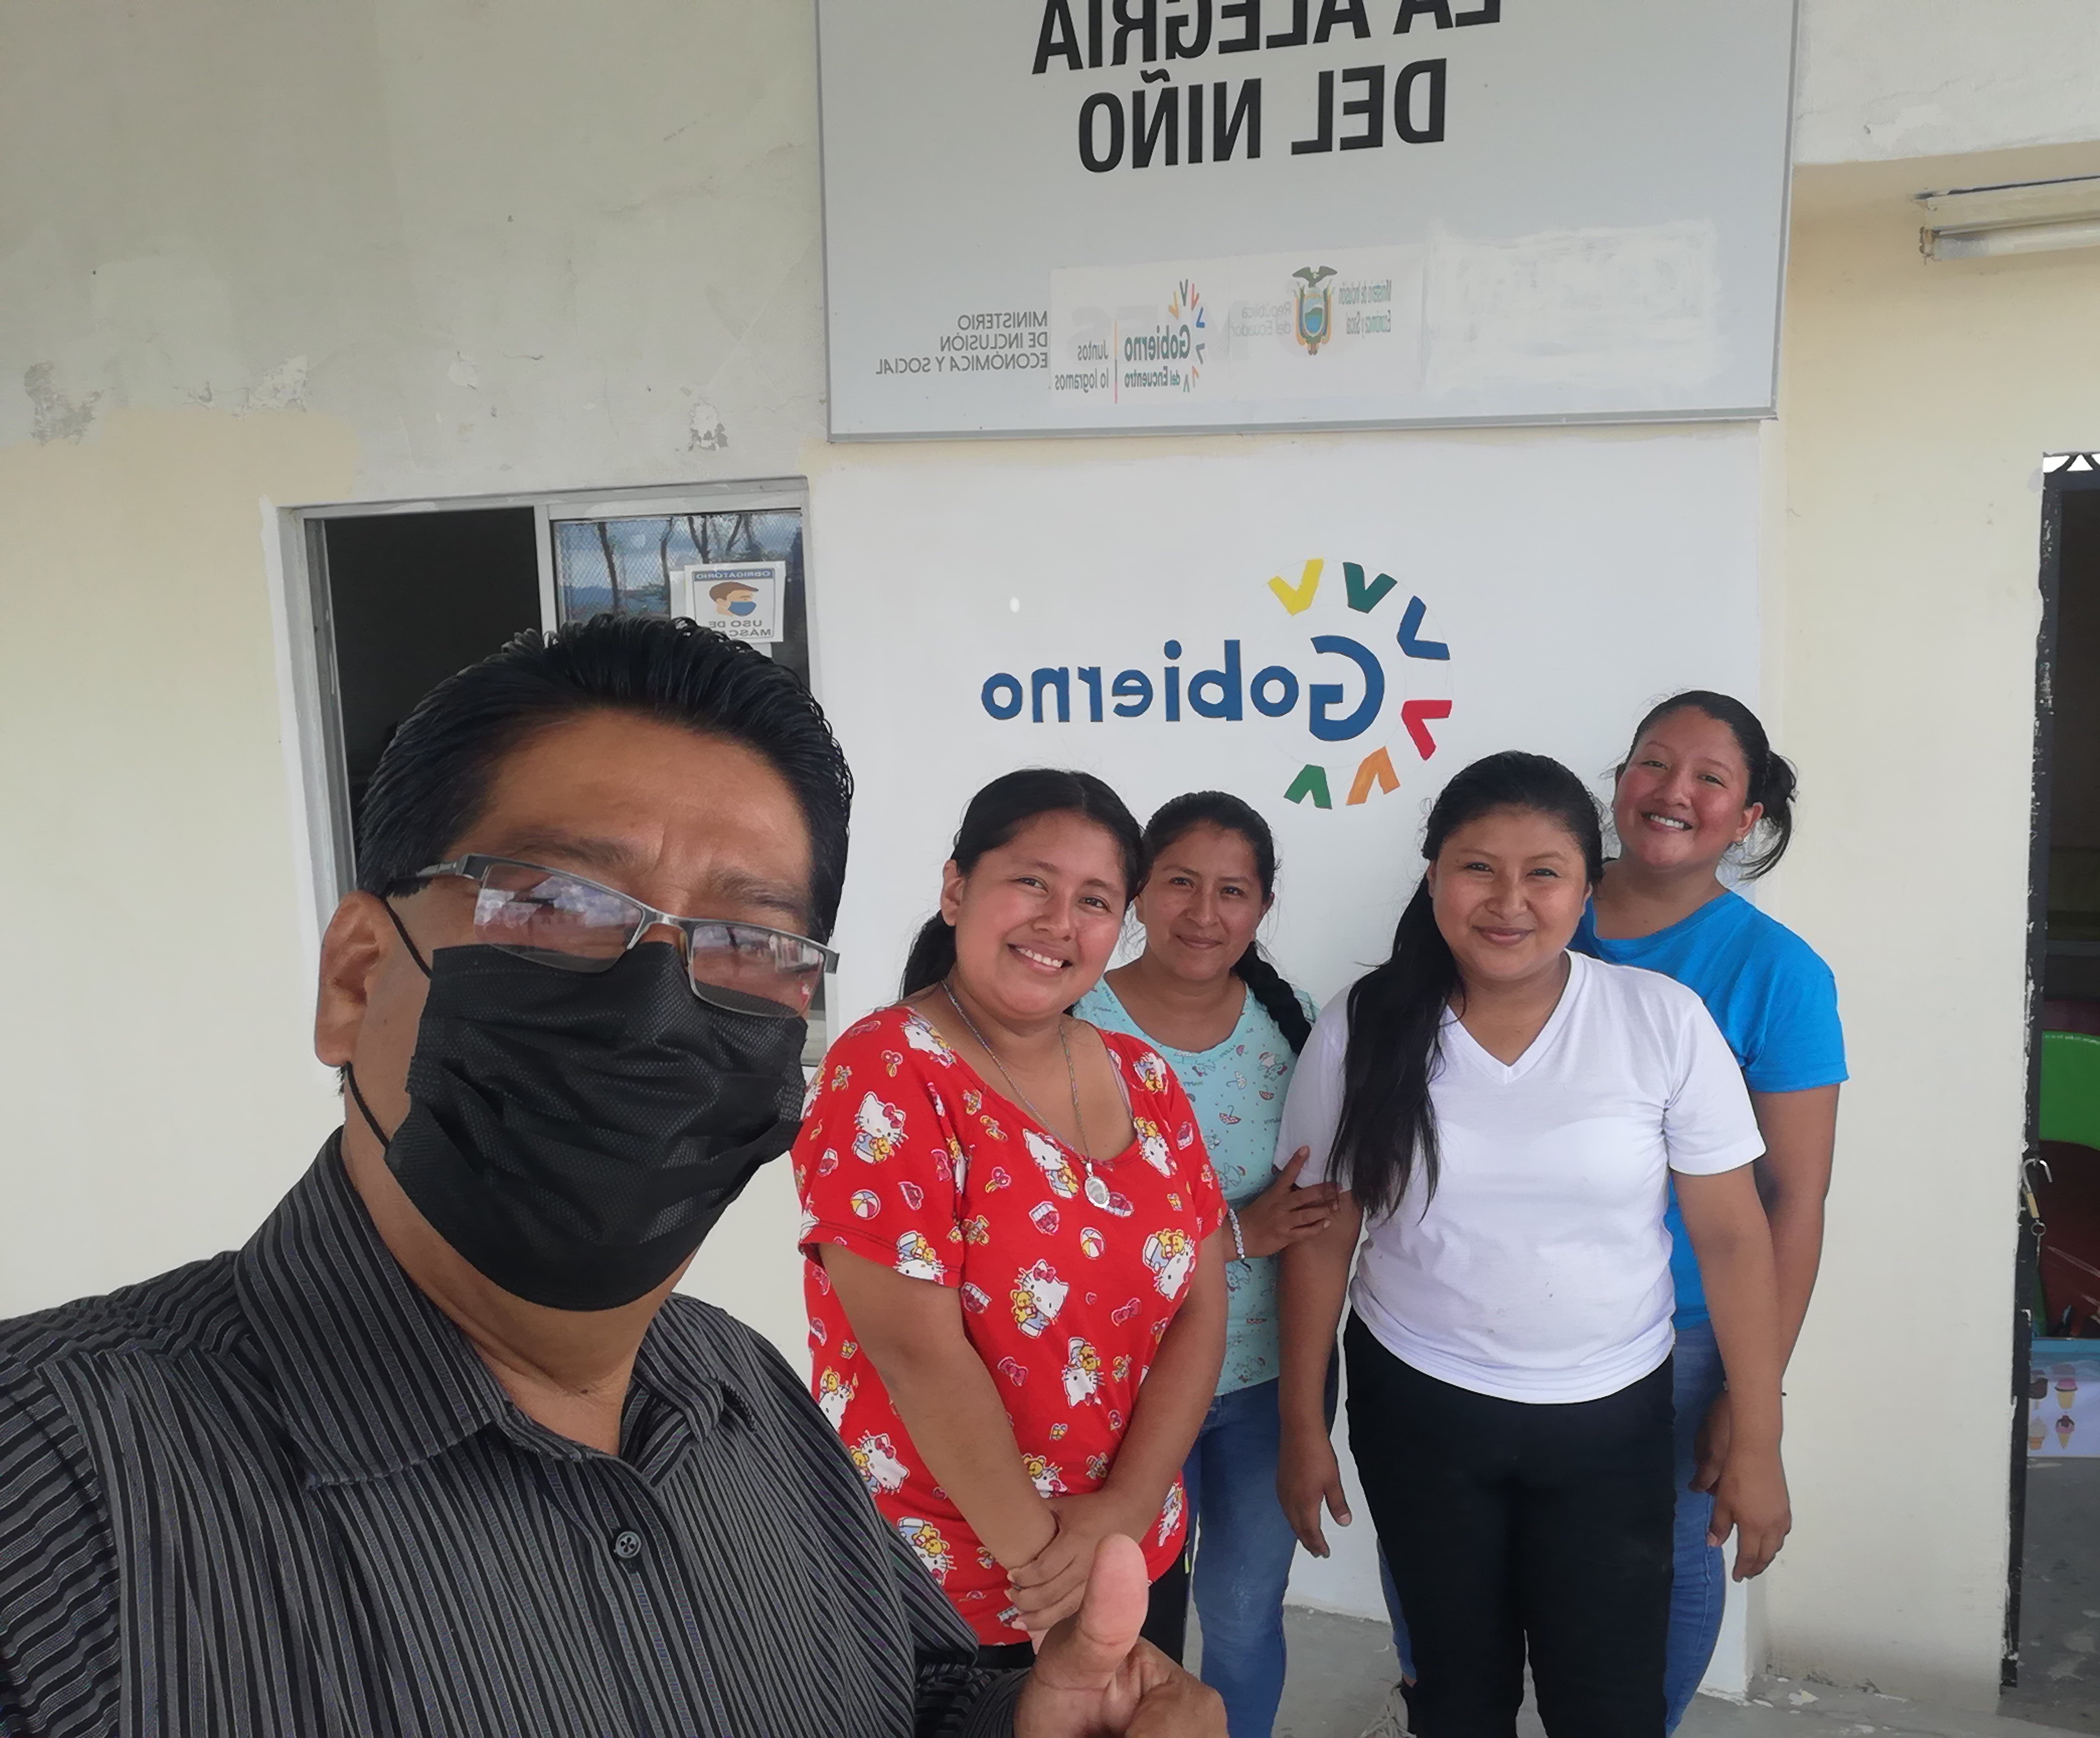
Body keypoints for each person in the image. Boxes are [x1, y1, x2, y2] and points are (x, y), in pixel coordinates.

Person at [0, 616, 1220, 1738]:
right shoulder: (54, 1497)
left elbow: (908, 1696)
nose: (652, 1007)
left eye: (746, 940)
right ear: (359, 979)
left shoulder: (748, 1400)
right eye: (557, 906)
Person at [1275, 750, 1791, 1738]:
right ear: (1434, 875)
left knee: (1609, 1704)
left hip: (1611, 1418)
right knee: (1455, 1697)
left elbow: (1734, 1238)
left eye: (1544, 873)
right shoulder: (1365, 1026)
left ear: (1586, 888)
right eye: (1478, 867)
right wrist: (1305, 1425)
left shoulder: (1659, 1021)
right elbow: (1321, 1232)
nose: (1509, 901)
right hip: (1418, 1406)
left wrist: (1759, 1439)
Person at [795, 768, 1229, 1668]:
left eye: (1095, 900)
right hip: (950, 1585)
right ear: (957, 890)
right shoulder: (889, 1068)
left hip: (1132, 1551)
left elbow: (1201, 1305)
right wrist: (1051, 1577)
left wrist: (1124, 1513)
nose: (1060, 922)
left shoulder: (1144, 1077)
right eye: (1032, 881)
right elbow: (918, 1355)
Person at [1578, 691, 1846, 1731]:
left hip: (1687, 1334)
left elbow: (1796, 1197)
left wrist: (1753, 1385)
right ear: (1619, 784)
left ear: (1747, 818)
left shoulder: (1777, 973)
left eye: (1709, 779)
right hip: (1506, 1317)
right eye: (1653, 763)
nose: (1673, 792)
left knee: (1675, 1554)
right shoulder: (1530, 906)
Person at [1075, 792, 1341, 1738]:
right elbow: (1050, 1226)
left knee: (1242, 1615)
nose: (1204, 913)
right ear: (1139, 891)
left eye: (1233, 891)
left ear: (1263, 905)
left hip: (1263, 1383)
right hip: (1119, 1388)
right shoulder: (1071, 1019)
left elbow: (1318, 1219)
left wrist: (1306, 1411)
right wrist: (1231, 1235)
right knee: (1115, 1628)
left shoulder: (1295, 1024)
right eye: (1180, 883)